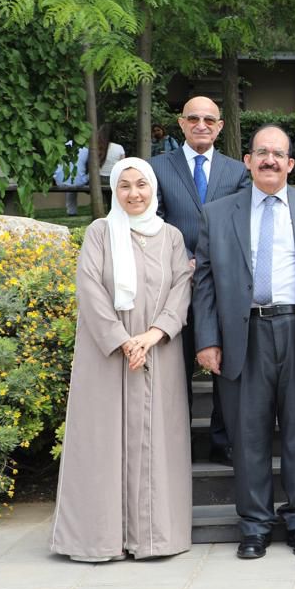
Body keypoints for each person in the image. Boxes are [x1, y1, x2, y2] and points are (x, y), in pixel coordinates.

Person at [193, 125, 295, 560]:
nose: (269, 160)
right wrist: (207, 339)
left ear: (291, 164)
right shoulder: (218, 213)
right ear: (247, 161)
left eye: (278, 154)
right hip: (244, 335)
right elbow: (203, 283)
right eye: (261, 152)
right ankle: (255, 526)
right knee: (248, 435)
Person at [50, 157, 194, 562]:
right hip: (108, 357)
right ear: (116, 191)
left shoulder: (172, 238)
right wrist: (121, 339)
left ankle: (154, 538)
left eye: (141, 185)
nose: (134, 193)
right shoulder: (100, 233)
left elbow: (181, 290)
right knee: (103, 442)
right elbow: (89, 288)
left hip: (157, 352)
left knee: (156, 442)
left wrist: (151, 336)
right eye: (125, 186)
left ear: (153, 190)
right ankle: (100, 539)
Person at [150, 96, 251, 467]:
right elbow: (152, 221)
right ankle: (176, 443)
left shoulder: (236, 172)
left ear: (221, 125)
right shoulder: (156, 168)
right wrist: (180, 261)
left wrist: (208, 262)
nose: (201, 125)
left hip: (221, 286)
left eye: (210, 119)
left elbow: (241, 224)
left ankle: (221, 440)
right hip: (170, 285)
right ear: (181, 123)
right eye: (193, 118)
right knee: (175, 368)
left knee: (224, 363)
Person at [52, 142, 89, 216]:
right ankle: (72, 211)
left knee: (71, 179)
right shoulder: (86, 148)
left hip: (59, 181)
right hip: (80, 182)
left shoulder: (59, 145)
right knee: (78, 177)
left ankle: (71, 211)